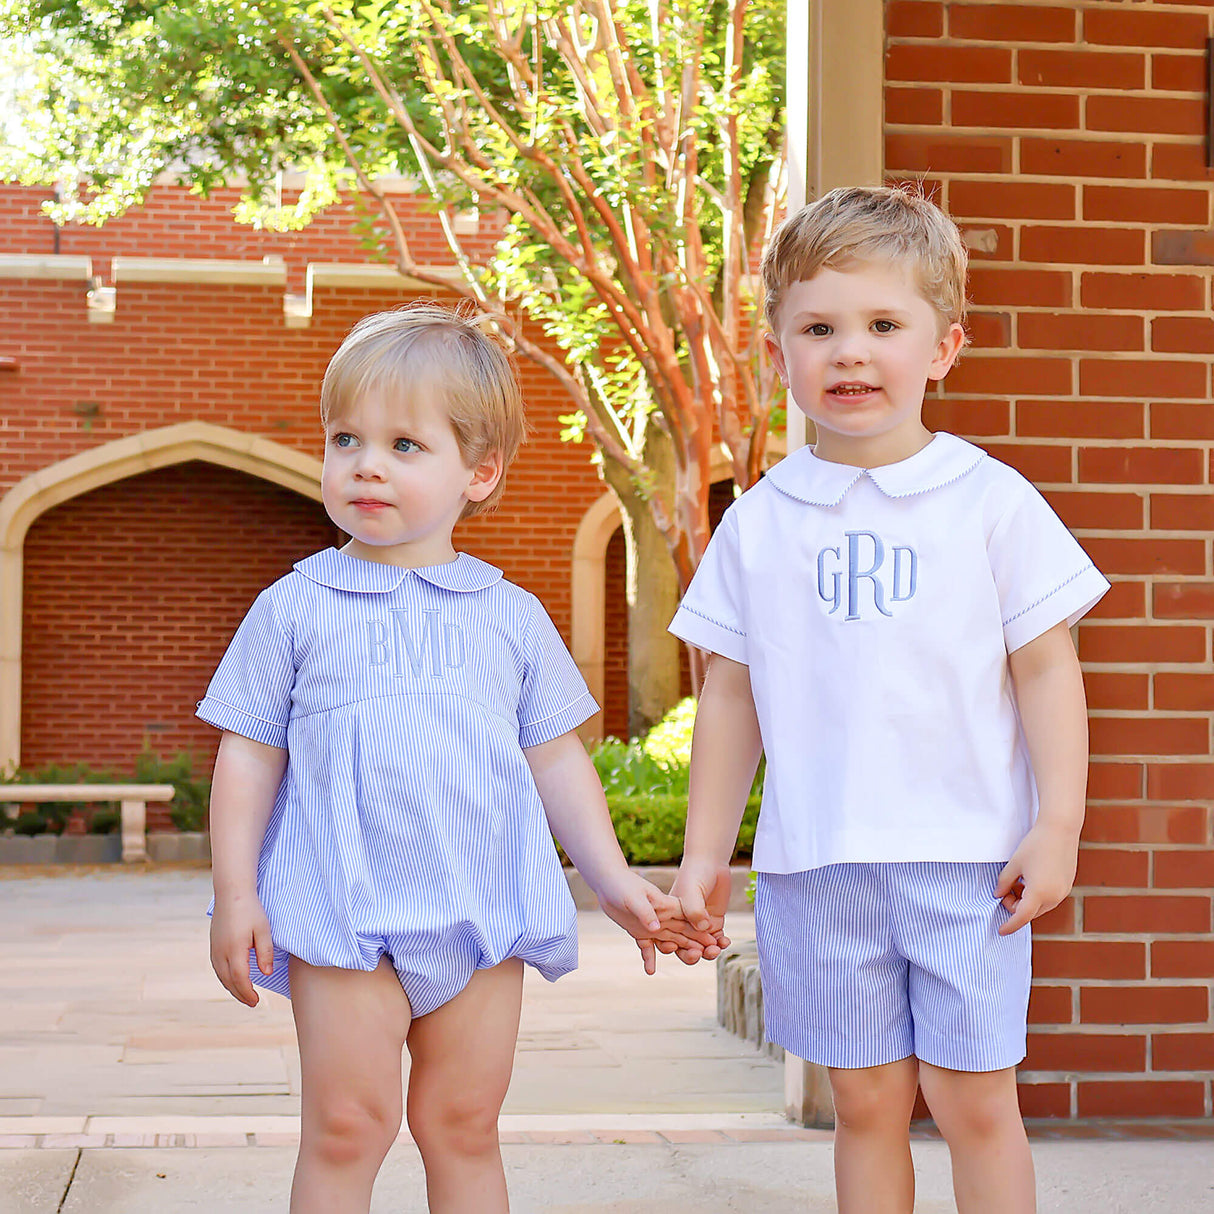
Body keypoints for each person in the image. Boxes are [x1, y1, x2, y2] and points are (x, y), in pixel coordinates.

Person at [198, 303, 723, 1214]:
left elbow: (558, 762)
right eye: (346, 438)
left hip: (479, 911)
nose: (366, 462)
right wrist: (236, 892)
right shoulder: (293, 607)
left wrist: (611, 880)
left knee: (463, 1124)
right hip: (342, 909)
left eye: (406, 445)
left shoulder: (509, 616)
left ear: (479, 473)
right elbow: (248, 758)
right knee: (347, 1126)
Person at [667, 186, 1109, 1213]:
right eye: (817, 328)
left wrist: (1058, 822)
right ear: (779, 354)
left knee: (972, 1100)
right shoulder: (760, 522)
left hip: (967, 861)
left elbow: (1047, 669)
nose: (849, 353)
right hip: (813, 863)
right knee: (863, 1103)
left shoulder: (991, 501)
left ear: (941, 348)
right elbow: (728, 698)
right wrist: (703, 855)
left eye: (881, 325)